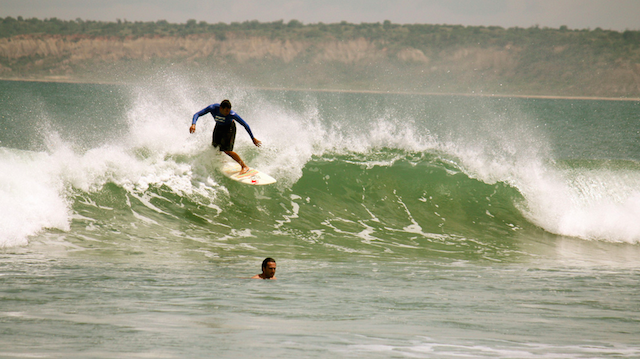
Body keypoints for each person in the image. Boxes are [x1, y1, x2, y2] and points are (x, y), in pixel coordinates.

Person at [190, 99, 261, 174]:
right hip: (219, 126)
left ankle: (244, 166)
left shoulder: (232, 114)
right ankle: (222, 160)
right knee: (215, 146)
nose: (228, 113)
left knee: (227, 150)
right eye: (226, 111)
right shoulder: (212, 108)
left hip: (229, 128)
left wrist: (253, 138)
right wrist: (193, 124)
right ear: (221, 108)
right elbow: (197, 114)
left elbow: (245, 125)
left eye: (229, 111)